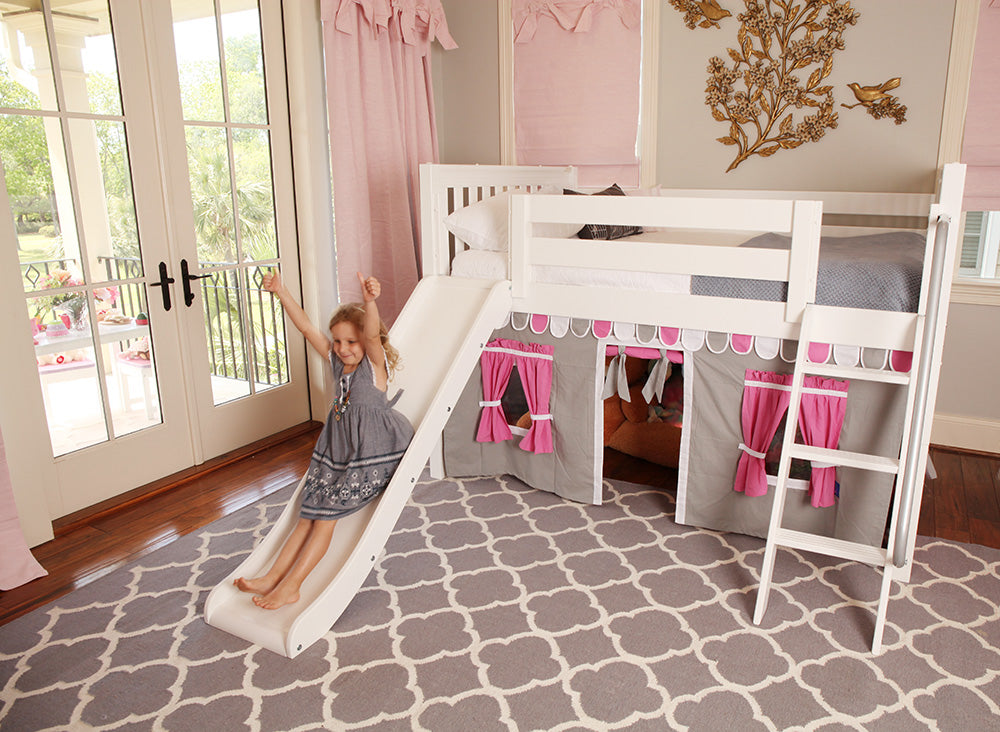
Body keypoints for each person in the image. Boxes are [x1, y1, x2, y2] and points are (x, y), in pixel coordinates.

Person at [235, 271, 414, 609]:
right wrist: (281, 291)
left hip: (370, 452)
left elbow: (373, 335)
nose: (343, 349)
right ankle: (274, 576)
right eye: (338, 342)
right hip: (339, 450)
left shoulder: (373, 367)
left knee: (325, 519)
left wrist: (370, 301)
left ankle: (293, 586)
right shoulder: (337, 364)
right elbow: (305, 328)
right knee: (308, 514)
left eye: (351, 342)